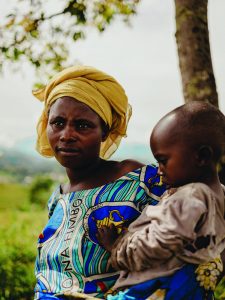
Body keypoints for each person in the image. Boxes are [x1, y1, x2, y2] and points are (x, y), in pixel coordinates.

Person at [32, 65, 166, 300]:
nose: (67, 134)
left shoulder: (136, 179)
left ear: (104, 132)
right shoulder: (57, 198)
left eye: (83, 125)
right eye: (58, 123)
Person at [97, 101, 225, 300]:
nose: (159, 170)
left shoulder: (191, 196)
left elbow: (163, 242)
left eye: (163, 161)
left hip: (156, 289)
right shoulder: (219, 196)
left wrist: (117, 248)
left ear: (201, 157)